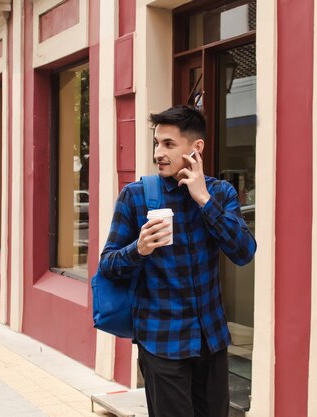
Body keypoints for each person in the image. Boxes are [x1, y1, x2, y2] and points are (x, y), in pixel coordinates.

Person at [98, 105, 256, 417]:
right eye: (157, 143)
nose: (159, 152)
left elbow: (244, 252)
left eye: (168, 144)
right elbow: (108, 265)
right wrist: (138, 249)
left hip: (211, 340)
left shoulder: (220, 193)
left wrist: (204, 200)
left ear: (195, 148)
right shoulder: (137, 196)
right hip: (161, 341)